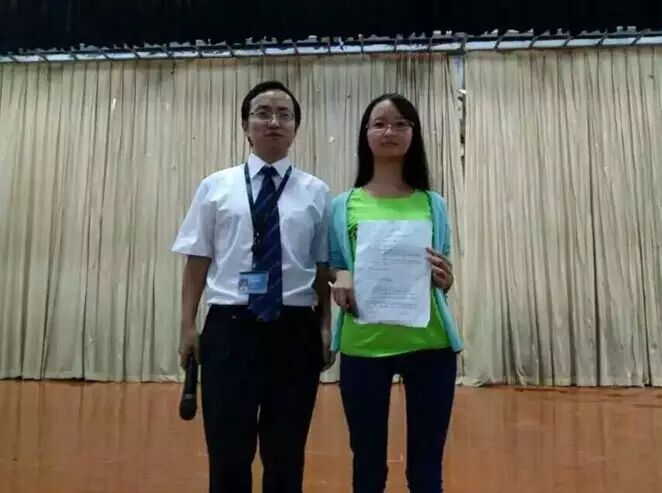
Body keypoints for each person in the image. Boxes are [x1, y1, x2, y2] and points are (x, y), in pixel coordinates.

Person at [172, 80, 334, 493]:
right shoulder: (215, 187)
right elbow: (197, 259)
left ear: (295, 128)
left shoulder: (316, 192)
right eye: (263, 113)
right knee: (228, 451)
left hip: (294, 330)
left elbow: (321, 267)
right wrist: (188, 325)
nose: (273, 121)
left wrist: (324, 326)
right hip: (230, 328)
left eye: (284, 114)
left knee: (286, 452)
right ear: (246, 127)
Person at [328, 93, 462, 493]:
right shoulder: (343, 205)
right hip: (364, 345)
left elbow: (443, 271)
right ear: (366, 134)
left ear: (413, 134)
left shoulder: (433, 203)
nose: (390, 131)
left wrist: (445, 277)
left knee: (426, 469)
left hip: (430, 345)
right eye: (380, 123)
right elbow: (334, 263)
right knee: (368, 465)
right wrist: (341, 276)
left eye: (401, 123)